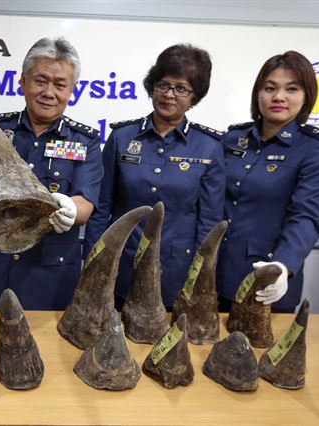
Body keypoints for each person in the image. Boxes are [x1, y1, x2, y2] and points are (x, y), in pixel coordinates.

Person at [0, 37, 104, 310]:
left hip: (49, 278)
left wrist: (70, 208)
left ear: (71, 91)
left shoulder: (84, 141)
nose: (48, 92)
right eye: (40, 81)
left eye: (59, 84)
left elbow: (85, 203)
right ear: (23, 82)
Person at [83, 44, 225, 309]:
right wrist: (93, 261)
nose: (169, 95)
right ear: (152, 85)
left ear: (195, 96)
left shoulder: (209, 146)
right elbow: (101, 209)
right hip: (120, 268)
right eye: (163, 85)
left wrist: (199, 278)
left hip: (175, 274)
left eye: (181, 88)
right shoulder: (123, 137)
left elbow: (209, 223)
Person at [217, 51, 319, 313]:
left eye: (291, 89)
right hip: (212, 275)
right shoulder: (233, 139)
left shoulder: (315, 148)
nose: (279, 97)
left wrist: (284, 265)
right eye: (270, 88)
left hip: (267, 278)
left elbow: (305, 216)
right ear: (258, 94)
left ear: (306, 96)